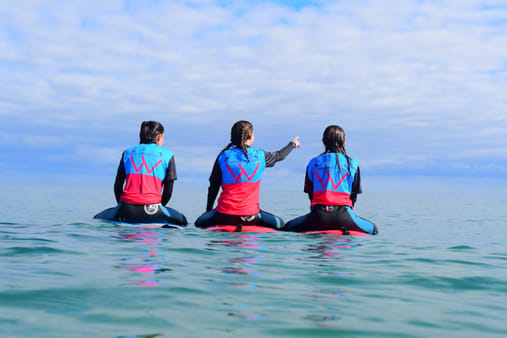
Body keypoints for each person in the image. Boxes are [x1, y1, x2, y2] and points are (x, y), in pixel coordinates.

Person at [195, 120, 300, 230]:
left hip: (223, 216)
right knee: (281, 224)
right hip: (251, 217)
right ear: (251, 137)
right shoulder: (260, 156)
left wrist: (209, 210)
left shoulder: (223, 156)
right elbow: (280, 155)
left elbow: (213, 186)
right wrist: (292, 144)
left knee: (198, 222)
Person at [284, 125, 377, 234]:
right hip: (344, 217)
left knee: (287, 226)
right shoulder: (352, 164)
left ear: (323, 141)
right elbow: (353, 196)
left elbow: (310, 194)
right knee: (373, 229)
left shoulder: (313, 163)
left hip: (317, 216)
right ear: (344, 140)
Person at [94, 121, 188, 226]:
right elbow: (168, 191)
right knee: (183, 221)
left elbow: (118, 185)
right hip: (154, 210)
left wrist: (122, 206)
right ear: (159, 137)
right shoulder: (168, 155)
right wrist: (158, 207)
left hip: (126, 210)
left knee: (96, 218)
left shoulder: (127, 152)